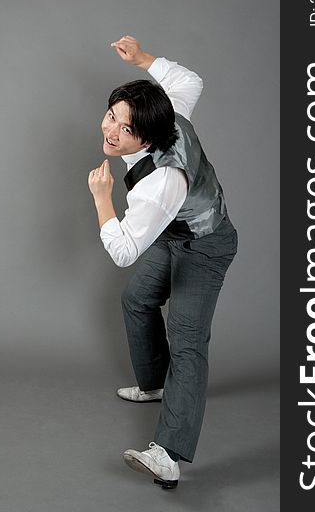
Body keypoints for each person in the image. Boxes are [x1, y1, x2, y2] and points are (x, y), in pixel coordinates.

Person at [88, 35, 238, 489]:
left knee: (188, 340)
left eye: (125, 130)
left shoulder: (163, 180)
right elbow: (188, 80)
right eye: (112, 116)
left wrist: (103, 199)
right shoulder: (167, 109)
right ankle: (154, 385)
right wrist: (142, 58)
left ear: (148, 136)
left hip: (205, 245)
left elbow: (123, 250)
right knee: (137, 300)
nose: (111, 132)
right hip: (171, 235)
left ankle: (169, 455)